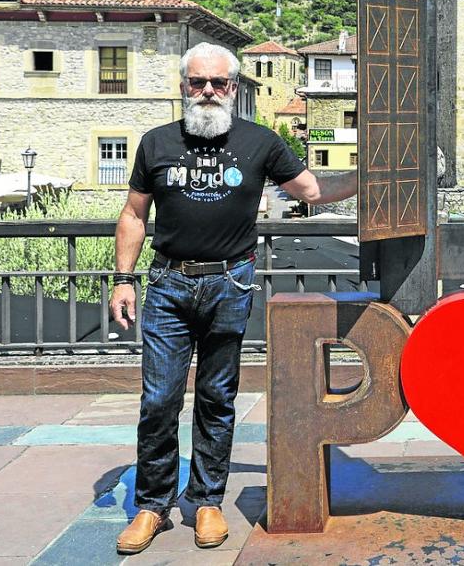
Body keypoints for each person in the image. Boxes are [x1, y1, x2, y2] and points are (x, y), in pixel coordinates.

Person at [111, 42, 357, 555]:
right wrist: (121, 279)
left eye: (217, 83)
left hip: (231, 284)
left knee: (217, 399)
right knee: (158, 401)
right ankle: (152, 507)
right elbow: (134, 215)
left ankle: (205, 501)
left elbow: (312, 191)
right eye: (197, 83)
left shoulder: (260, 142)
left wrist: (375, 176)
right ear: (183, 87)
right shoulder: (156, 143)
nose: (206, 92)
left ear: (234, 88)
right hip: (169, 284)